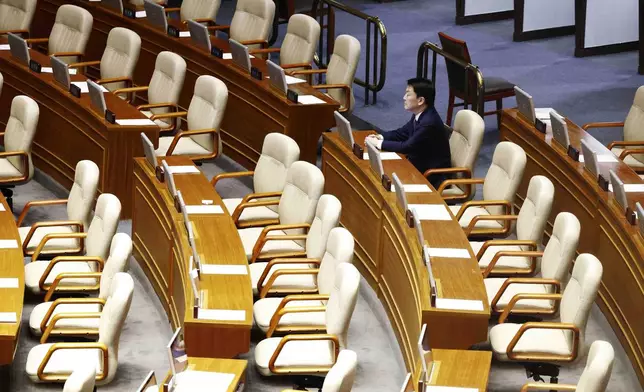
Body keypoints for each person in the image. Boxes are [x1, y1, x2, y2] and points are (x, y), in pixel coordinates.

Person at [366, 78, 451, 189]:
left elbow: (407, 146)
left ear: (420, 100)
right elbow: (403, 132)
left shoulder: (428, 122)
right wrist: (380, 137)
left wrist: (379, 143)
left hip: (432, 176)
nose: (404, 98)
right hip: (418, 165)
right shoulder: (421, 113)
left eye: (408, 95)